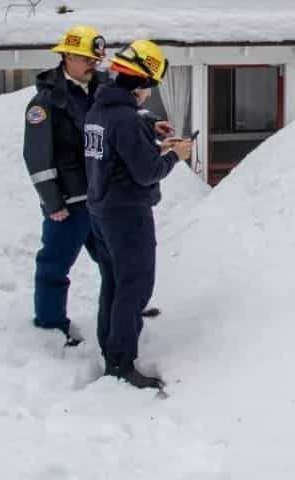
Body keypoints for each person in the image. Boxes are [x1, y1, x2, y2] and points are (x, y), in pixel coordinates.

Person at [23, 26, 170, 346]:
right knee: (55, 262)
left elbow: (123, 117)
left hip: (103, 194)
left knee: (114, 263)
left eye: (96, 57)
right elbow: (36, 156)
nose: (92, 63)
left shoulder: (102, 88)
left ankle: (125, 308)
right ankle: (50, 322)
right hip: (71, 200)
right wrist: (53, 203)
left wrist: (149, 123)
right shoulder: (46, 100)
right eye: (84, 57)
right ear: (65, 56)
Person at [84, 39, 192, 389]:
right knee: (134, 288)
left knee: (113, 285)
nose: (149, 96)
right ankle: (121, 364)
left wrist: (150, 133)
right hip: (128, 215)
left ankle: (111, 350)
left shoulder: (99, 111)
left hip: (101, 210)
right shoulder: (125, 119)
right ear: (141, 85)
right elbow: (146, 172)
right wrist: (177, 155)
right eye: (149, 89)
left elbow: (120, 154)